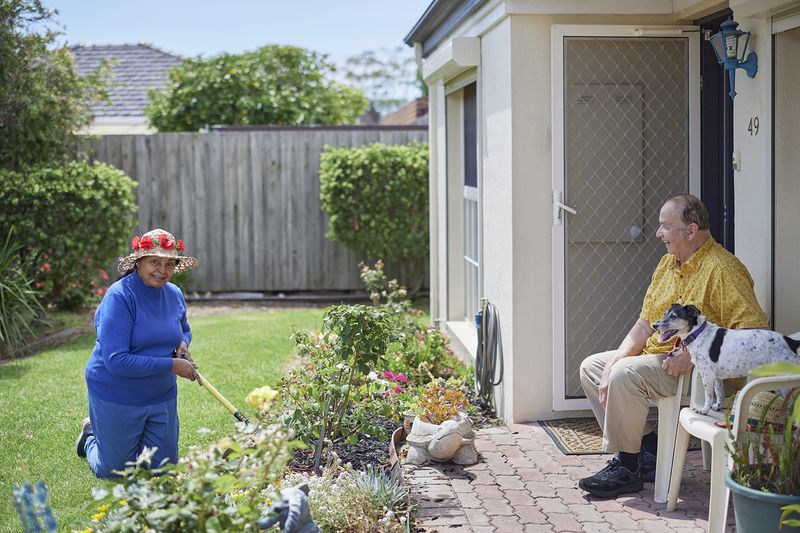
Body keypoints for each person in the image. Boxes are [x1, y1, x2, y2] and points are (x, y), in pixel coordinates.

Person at [577, 195, 767, 498]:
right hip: (661, 358)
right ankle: (647, 452)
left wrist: (691, 355)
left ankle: (626, 466)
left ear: (690, 230)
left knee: (625, 374)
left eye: (665, 226)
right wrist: (613, 361)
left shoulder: (724, 269)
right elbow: (644, 325)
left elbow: (752, 332)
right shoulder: (667, 264)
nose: (658, 233)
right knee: (594, 368)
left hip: (705, 374)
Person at [75, 228, 201, 478]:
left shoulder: (174, 294)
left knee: (163, 470)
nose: (163, 270)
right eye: (155, 262)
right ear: (138, 262)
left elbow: (184, 329)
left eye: (169, 264)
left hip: (160, 393)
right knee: (116, 471)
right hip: (117, 391)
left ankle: (132, 437)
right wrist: (172, 365)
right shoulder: (119, 296)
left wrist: (183, 344)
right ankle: (90, 436)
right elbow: (116, 361)